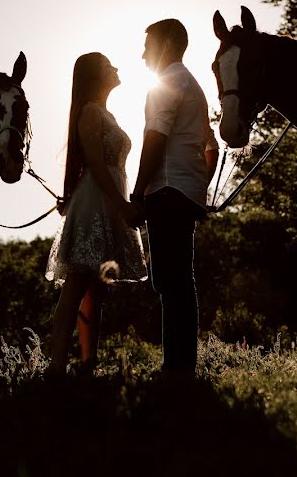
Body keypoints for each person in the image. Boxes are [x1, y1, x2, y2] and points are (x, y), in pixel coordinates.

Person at [45, 52, 148, 375]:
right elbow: (96, 165)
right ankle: (57, 364)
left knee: (98, 287)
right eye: (107, 66)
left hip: (107, 199)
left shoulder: (106, 113)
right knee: (77, 282)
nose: (115, 68)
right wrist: (122, 205)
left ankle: (88, 362)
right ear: (94, 76)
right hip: (96, 202)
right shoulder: (90, 112)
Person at [129, 19, 220, 376]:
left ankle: (177, 368)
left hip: (166, 191)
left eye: (148, 44)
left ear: (166, 43)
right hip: (185, 191)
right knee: (178, 278)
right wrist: (199, 183)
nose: (142, 54)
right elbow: (210, 147)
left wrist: (138, 193)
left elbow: (155, 140)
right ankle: (181, 364)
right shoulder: (193, 85)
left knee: (172, 281)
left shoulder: (166, 83)